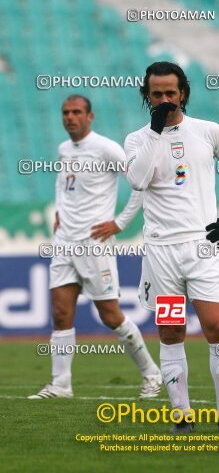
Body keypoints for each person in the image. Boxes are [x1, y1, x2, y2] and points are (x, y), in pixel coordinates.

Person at [124, 62, 219, 433]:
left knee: (216, 326)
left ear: (184, 93)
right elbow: (137, 180)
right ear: (147, 97)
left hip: (203, 247)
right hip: (161, 253)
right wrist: (154, 132)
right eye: (156, 94)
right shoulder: (137, 139)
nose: (164, 100)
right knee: (171, 330)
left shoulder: (208, 131)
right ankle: (182, 416)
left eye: (170, 93)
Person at [29, 95, 162, 400]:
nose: (70, 117)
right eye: (65, 112)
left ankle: (151, 373)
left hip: (94, 244)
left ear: (90, 116)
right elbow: (63, 184)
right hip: (64, 242)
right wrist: (60, 210)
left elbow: (141, 182)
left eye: (76, 112)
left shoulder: (106, 148)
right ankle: (61, 385)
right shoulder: (64, 149)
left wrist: (120, 223)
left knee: (110, 315)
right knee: (61, 313)